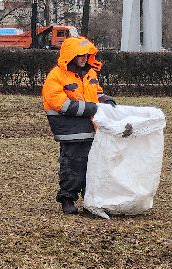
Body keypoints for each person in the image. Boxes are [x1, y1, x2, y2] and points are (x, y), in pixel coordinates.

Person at [41, 35, 118, 214]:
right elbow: (60, 103)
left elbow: (95, 93)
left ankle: (88, 200)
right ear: (71, 56)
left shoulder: (89, 73)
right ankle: (67, 199)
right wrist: (93, 108)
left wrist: (106, 100)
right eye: (80, 55)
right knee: (73, 165)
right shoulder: (57, 75)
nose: (84, 58)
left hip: (89, 128)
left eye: (86, 54)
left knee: (92, 166)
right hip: (70, 130)